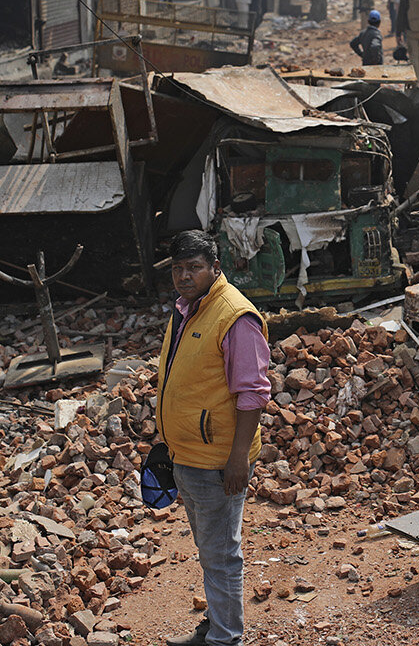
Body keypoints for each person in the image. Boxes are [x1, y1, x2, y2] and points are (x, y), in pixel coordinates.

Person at [157, 230, 271, 646]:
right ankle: (218, 625)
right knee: (210, 549)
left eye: (194, 268)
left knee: (221, 554)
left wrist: (237, 457)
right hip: (187, 453)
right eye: (177, 268)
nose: (184, 276)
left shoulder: (235, 317)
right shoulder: (188, 308)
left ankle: (226, 639)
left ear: (215, 268)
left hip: (218, 460)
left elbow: (254, 393)